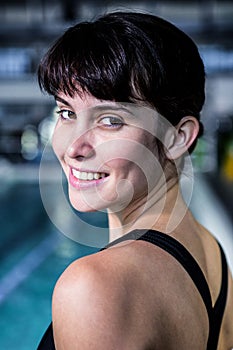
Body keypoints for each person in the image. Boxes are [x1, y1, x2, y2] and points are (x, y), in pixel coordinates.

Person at [37, 11, 233, 350]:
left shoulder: (94, 287)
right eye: (67, 113)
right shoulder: (210, 251)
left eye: (110, 120)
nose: (73, 147)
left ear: (177, 137)